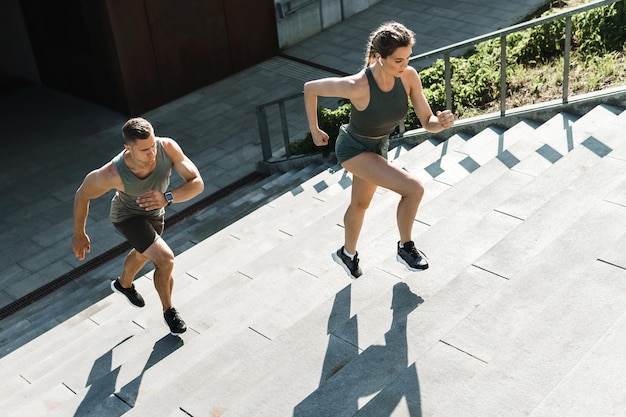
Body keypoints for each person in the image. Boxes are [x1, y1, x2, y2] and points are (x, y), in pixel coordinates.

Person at [304, 21, 455, 278]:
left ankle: (347, 254)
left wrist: (439, 123)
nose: (404, 65)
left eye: (408, 57)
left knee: (360, 204)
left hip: (377, 147)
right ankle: (405, 247)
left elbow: (427, 121)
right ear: (378, 56)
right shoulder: (357, 85)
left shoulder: (408, 77)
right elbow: (310, 88)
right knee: (413, 189)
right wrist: (315, 129)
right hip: (353, 149)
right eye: (398, 60)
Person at [72, 117, 204, 335]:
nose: (152, 153)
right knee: (165, 259)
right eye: (144, 150)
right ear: (128, 147)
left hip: (155, 212)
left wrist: (167, 197)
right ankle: (169, 311)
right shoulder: (112, 173)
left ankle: (123, 285)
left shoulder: (167, 147)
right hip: (128, 217)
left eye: (152, 145)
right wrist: (79, 232)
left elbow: (197, 184)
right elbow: (82, 194)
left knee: (144, 254)